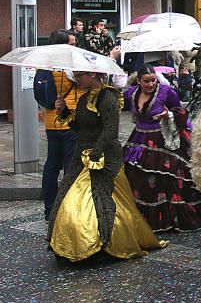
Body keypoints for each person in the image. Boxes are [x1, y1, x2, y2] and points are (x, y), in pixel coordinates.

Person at [47, 71, 166, 262]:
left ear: (93, 75)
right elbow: (80, 128)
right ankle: (70, 244)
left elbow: (111, 130)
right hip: (82, 155)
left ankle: (102, 245)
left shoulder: (108, 97)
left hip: (105, 157)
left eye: (80, 76)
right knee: (69, 195)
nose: (77, 80)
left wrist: (96, 152)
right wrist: (64, 112)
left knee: (100, 198)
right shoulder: (84, 97)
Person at [123, 65, 201, 232]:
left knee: (169, 176)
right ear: (139, 81)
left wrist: (168, 115)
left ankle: (172, 216)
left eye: (153, 80)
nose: (150, 84)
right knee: (136, 176)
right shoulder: (130, 94)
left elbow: (182, 112)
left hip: (163, 138)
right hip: (139, 139)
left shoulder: (166, 92)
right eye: (146, 81)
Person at [34, 30, 82, 220]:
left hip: (51, 123)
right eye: (72, 44)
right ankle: (66, 209)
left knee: (51, 166)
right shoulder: (69, 69)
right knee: (70, 168)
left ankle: (49, 209)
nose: (75, 47)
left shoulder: (43, 68)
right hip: (70, 122)